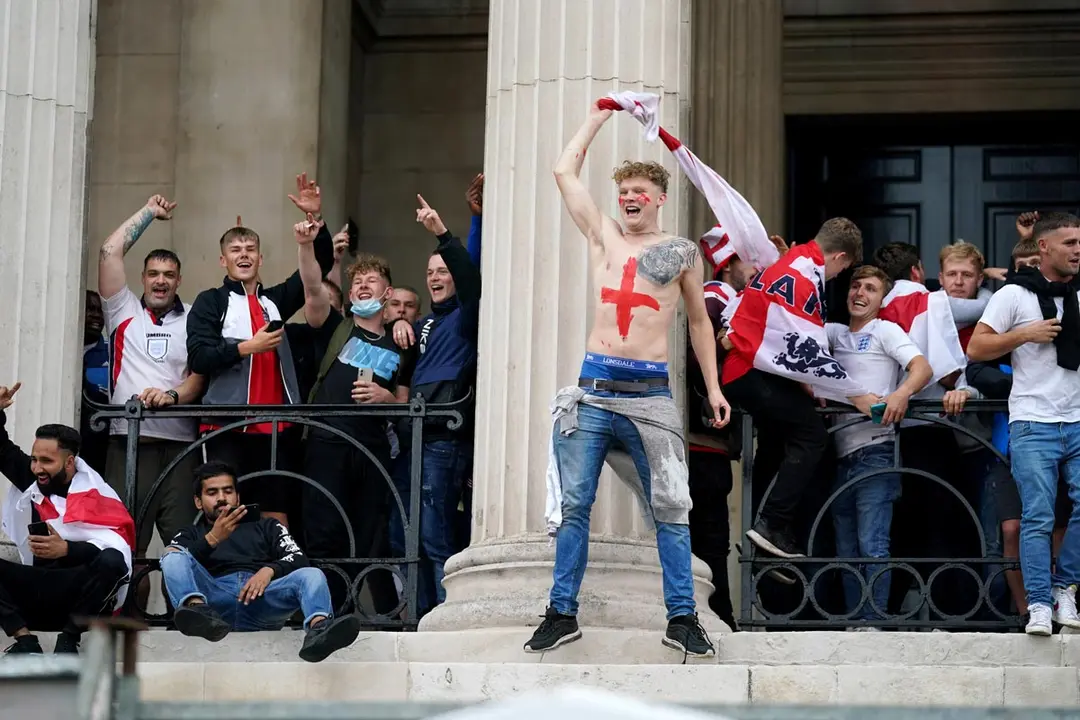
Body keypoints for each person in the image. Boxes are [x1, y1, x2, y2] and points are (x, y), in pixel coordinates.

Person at [524, 101, 730, 658]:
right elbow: (564, 171)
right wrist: (597, 116)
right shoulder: (604, 238)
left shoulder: (681, 253)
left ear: (660, 198)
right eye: (624, 192)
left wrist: (712, 388)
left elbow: (698, 324)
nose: (630, 199)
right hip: (591, 393)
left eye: (641, 191)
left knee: (672, 506)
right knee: (574, 507)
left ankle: (682, 618)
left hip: (650, 397)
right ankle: (561, 613)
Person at [721, 218, 877, 561]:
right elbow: (808, 353)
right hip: (750, 373)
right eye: (843, 269)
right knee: (812, 436)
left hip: (747, 371)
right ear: (839, 257)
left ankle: (764, 542)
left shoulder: (789, 262)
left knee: (778, 442)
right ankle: (771, 525)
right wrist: (857, 395)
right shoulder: (804, 277)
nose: (837, 277)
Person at [186, 173, 333, 528]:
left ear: (261, 258)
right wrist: (246, 347)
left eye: (250, 250)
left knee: (276, 515)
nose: (244, 256)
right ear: (223, 260)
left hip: (275, 427)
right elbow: (199, 357)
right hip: (226, 426)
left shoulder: (275, 300)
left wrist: (315, 219)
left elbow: (320, 264)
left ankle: (274, 582)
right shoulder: (210, 302)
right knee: (224, 516)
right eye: (235, 251)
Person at [967, 211, 1080, 636]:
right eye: (1069, 243)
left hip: (1078, 418)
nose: (1077, 250)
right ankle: (1037, 604)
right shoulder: (1013, 295)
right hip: (1033, 420)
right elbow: (977, 348)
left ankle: (1064, 588)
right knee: (1036, 516)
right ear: (1044, 247)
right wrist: (1024, 335)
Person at [301, 221, 416, 613]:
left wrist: (386, 397)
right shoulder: (337, 327)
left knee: (368, 534)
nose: (363, 286)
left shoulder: (402, 343)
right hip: (326, 442)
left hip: (371, 449)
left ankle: (367, 612)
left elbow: (405, 404)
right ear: (350, 295)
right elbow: (313, 288)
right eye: (358, 282)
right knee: (323, 531)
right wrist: (307, 244)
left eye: (372, 280)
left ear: (388, 293)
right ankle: (325, 613)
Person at [97, 195, 205, 572]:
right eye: (154, 274)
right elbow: (109, 251)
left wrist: (172, 396)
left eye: (169, 275)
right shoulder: (122, 310)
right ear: (143, 278)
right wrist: (147, 213)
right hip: (128, 443)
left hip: (180, 447)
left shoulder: (195, 318)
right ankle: (127, 620)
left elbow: (200, 378)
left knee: (184, 544)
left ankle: (184, 620)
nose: (161, 281)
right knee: (125, 541)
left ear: (179, 280)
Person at [161, 461, 360, 662]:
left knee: (312, 574)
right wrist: (212, 539)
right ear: (198, 501)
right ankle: (197, 612)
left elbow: (299, 558)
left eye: (228, 491)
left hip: (262, 599)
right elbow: (175, 565)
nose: (221, 498)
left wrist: (270, 570)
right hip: (214, 603)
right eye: (212, 492)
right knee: (172, 555)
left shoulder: (267, 526)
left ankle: (319, 630)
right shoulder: (190, 533)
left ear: (238, 496)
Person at [388, 193, 481, 612]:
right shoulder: (421, 323)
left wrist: (446, 232)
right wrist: (398, 327)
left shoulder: (466, 316)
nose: (436, 277)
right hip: (412, 440)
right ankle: (421, 615)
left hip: (445, 439)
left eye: (443, 271)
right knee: (402, 534)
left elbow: (471, 272)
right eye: (430, 272)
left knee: (435, 534)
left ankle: (447, 615)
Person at [825, 266, 932, 627]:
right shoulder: (834, 333)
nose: (860, 293)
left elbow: (922, 368)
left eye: (871, 289)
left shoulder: (885, 329)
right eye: (855, 285)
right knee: (845, 547)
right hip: (838, 455)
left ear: (881, 299)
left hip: (877, 451)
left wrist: (900, 394)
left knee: (872, 543)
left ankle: (873, 622)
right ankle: (855, 621)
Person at [0, 383, 134, 655]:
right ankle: (24, 640)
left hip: (80, 601)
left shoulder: (96, 495)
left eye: (46, 461)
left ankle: (69, 640)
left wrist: (67, 549)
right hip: (34, 593)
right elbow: (1, 450)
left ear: (70, 462)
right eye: (34, 459)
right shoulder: (32, 479)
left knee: (112, 562)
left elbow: (116, 548)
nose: (37, 468)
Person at [81, 290, 110, 474]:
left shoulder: (111, 353)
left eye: (100, 311)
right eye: (89, 309)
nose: (96, 316)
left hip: (100, 448)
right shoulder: (58, 349)